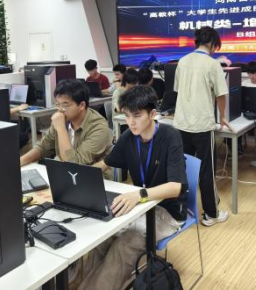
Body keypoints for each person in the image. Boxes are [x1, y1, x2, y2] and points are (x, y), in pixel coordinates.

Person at [81, 86, 187, 290]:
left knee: (125, 245)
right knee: (102, 236)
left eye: (137, 116)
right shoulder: (128, 136)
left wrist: (139, 195)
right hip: (141, 206)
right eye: (127, 115)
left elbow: (175, 187)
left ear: (152, 114)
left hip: (167, 210)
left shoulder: (170, 136)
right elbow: (105, 164)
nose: (131, 122)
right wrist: (79, 179)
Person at [174, 27, 231, 227]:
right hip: (202, 124)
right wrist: (222, 116)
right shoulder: (213, 64)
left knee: (183, 168)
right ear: (214, 45)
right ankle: (211, 214)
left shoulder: (182, 61)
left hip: (181, 122)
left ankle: (182, 213)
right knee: (206, 170)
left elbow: (178, 90)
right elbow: (221, 95)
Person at [20, 79, 112, 167]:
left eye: (65, 105)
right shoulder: (63, 118)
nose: (60, 109)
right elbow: (43, 147)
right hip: (62, 170)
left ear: (82, 105)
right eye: (57, 104)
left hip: (93, 175)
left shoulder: (98, 127)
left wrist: (61, 129)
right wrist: (19, 162)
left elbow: (74, 164)